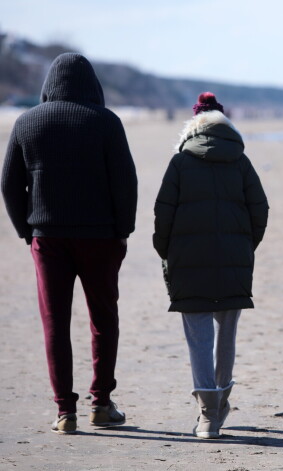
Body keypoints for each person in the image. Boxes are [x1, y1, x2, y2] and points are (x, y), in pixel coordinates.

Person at [1, 53, 138, 434]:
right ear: (92, 85)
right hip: (101, 237)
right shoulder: (106, 122)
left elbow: (9, 183)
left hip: (48, 238)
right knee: (103, 319)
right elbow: (125, 182)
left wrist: (26, 231)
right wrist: (123, 230)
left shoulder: (27, 122)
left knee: (54, 323)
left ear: (49, 85)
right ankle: (101, 404)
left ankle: (65, 411)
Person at [153, 92, 268, 439]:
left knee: (199, 340)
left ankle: (207, 416)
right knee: (227, 336)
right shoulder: (241, 160)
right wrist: (246, 246)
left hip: (188, 262)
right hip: (234, 260)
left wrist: (167, 252)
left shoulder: (180, 161)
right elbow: (259, 210)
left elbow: (163, 214)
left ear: (193, 126)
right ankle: (220, 404)